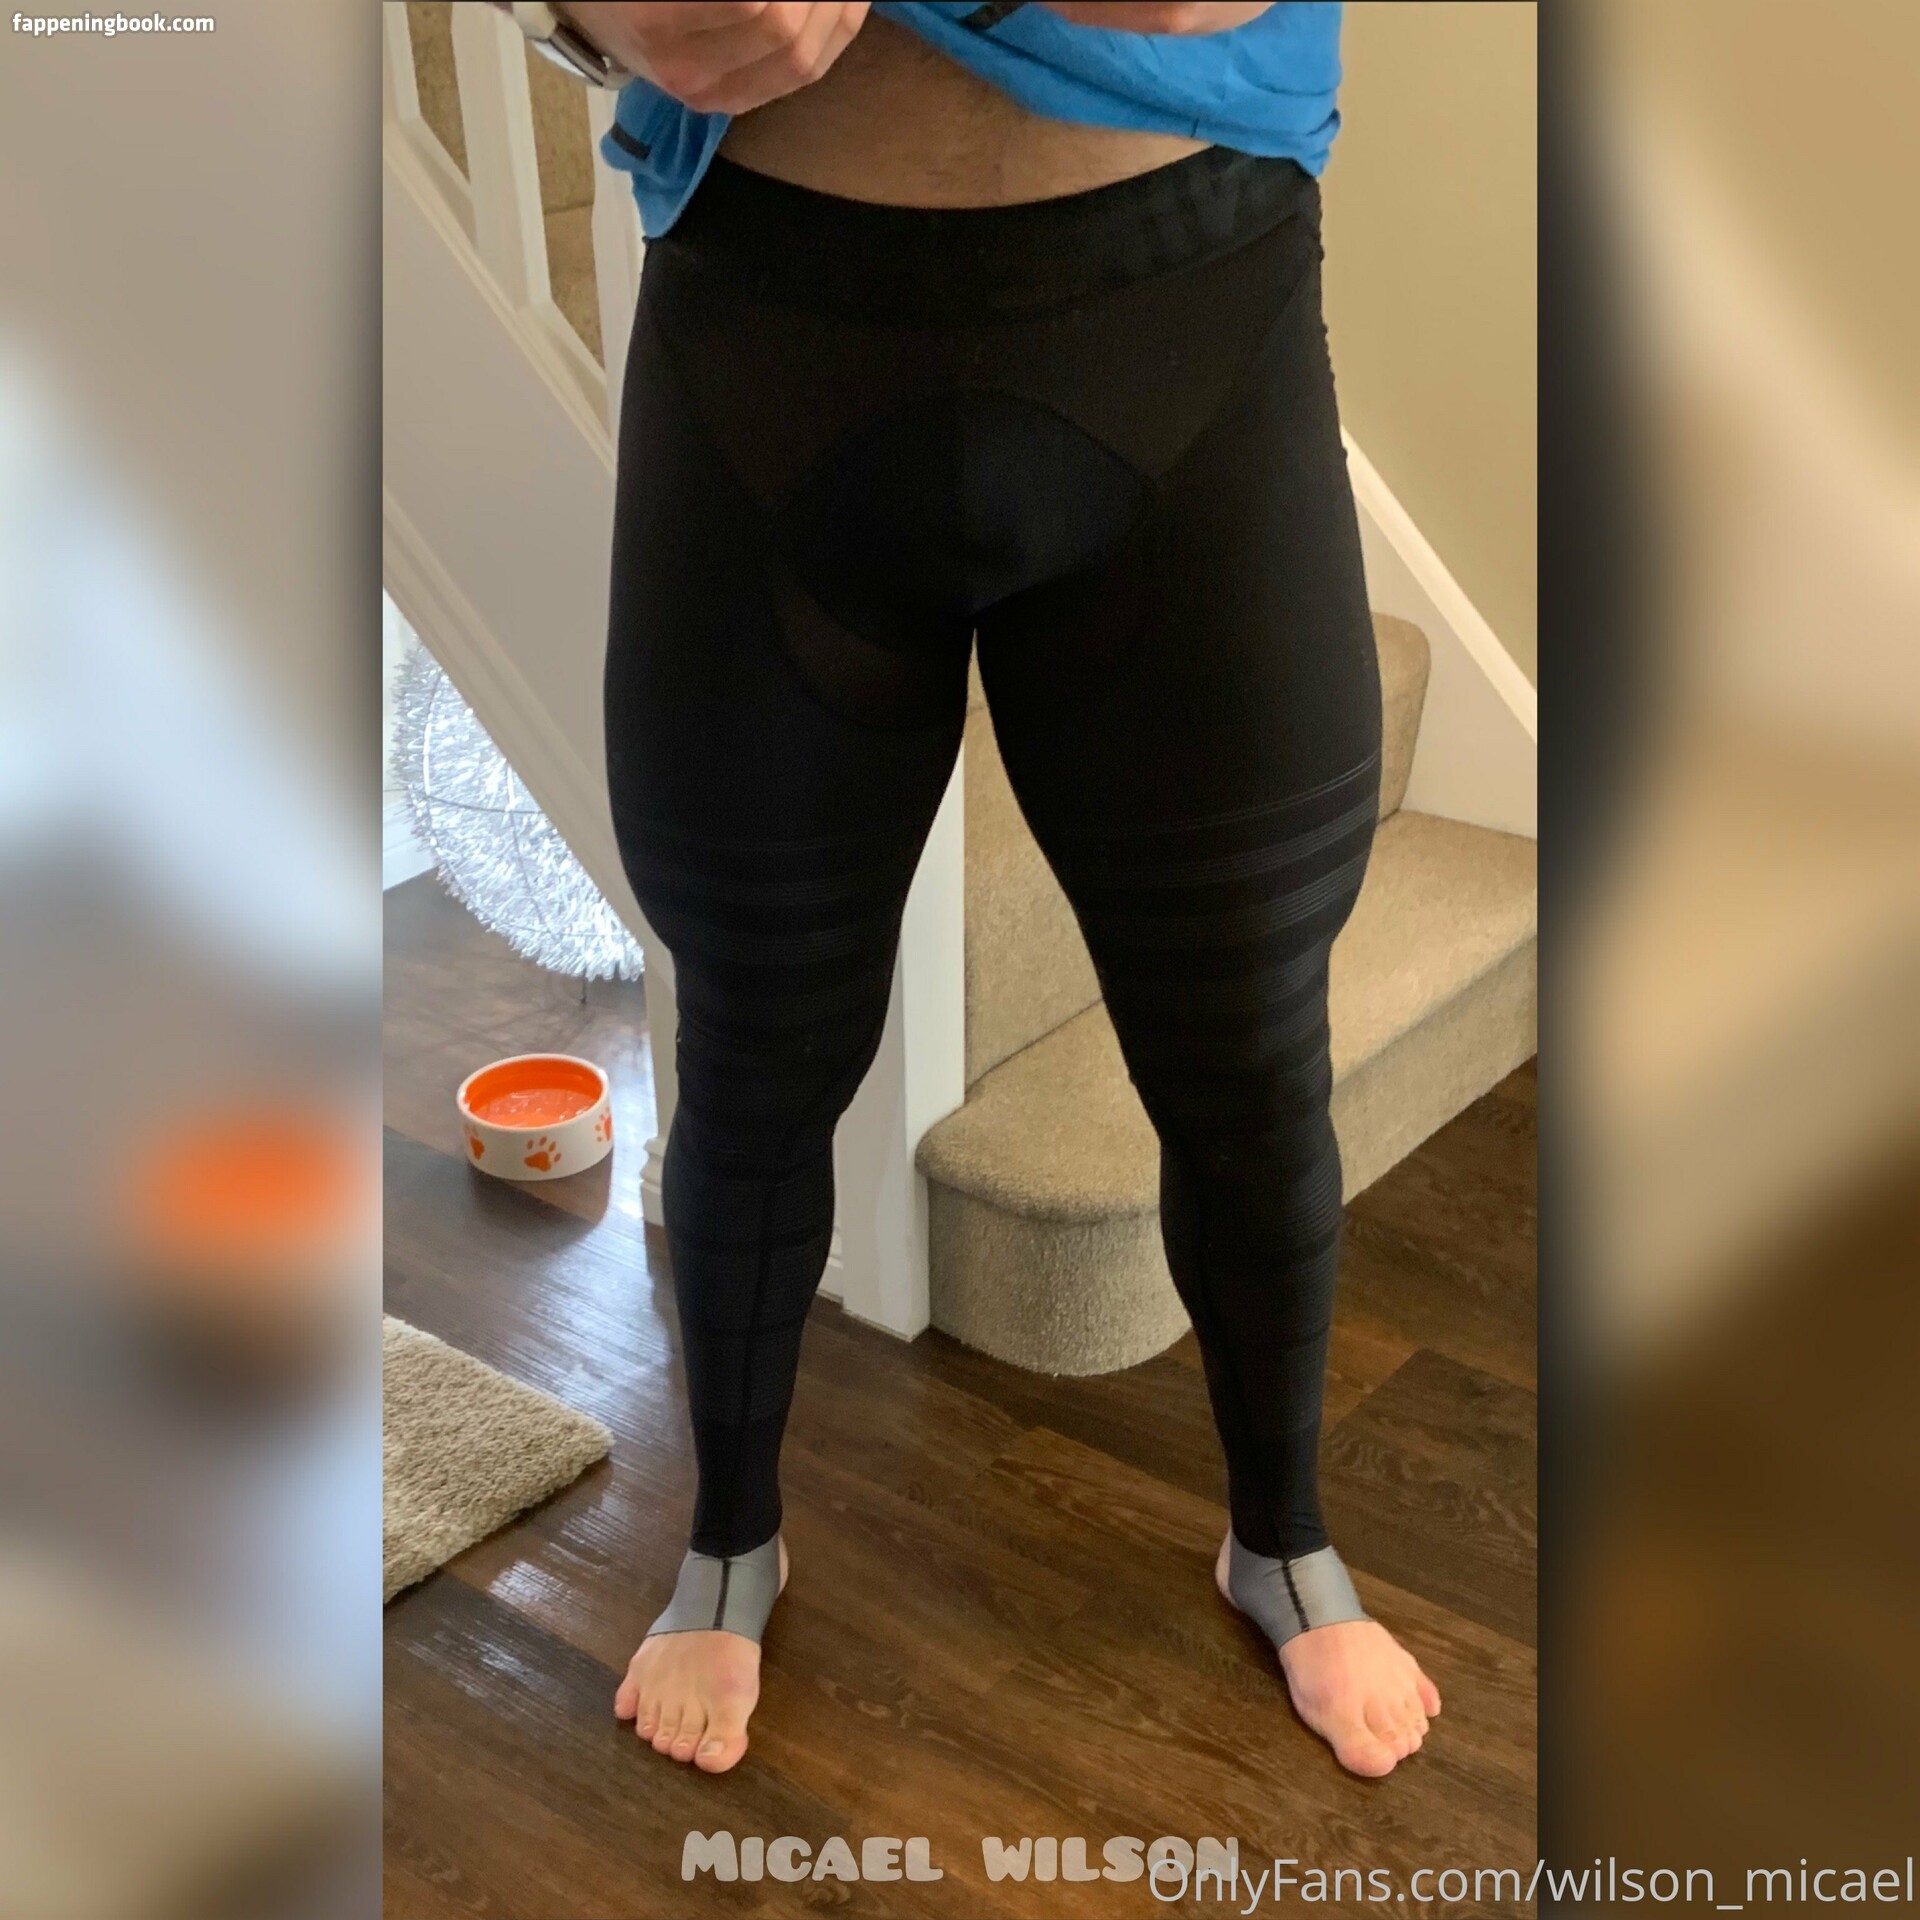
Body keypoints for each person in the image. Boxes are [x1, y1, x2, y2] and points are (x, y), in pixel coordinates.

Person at [565, 0, 1442, 1779]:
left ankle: (1282, 1538)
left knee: (1246, 1048)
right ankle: (729, 1541)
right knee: (755, 1045)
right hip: (763, 318)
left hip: (1191, 309)